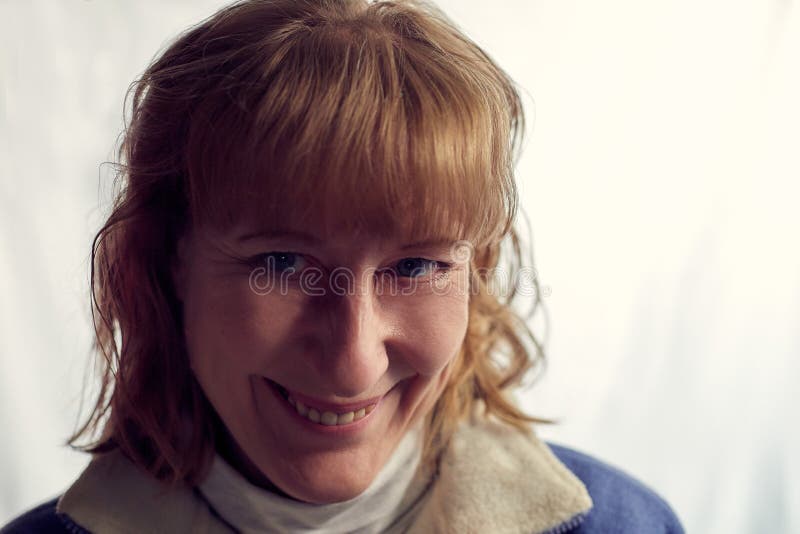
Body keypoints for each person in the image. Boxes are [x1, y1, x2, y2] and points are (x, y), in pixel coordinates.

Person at [2, 0, 684, 532]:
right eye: (281, 261)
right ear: (168, 262)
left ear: (476, 271)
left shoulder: (628, 528)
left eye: (416, 267)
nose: (352, 364)